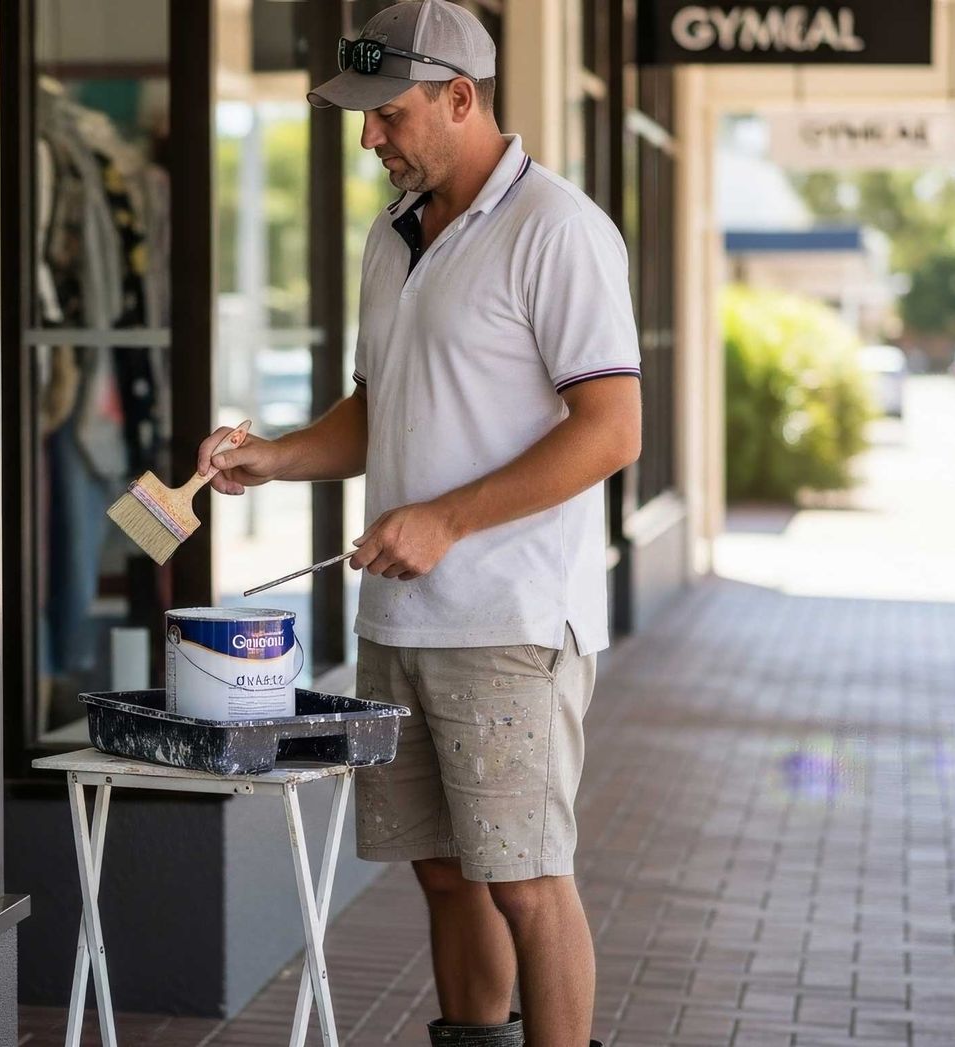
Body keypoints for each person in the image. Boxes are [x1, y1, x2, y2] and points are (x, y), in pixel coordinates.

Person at [198, 3, 640, 1044]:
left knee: (527, 880)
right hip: (400, 621)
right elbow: (380, 404)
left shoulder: (557, 229)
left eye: (388, 115)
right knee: (443, 874)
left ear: (461, 98)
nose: (369, 138)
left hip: (510, 621)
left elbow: (613, 429)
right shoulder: (390, 236)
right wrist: (276, 456)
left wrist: (446, 520)